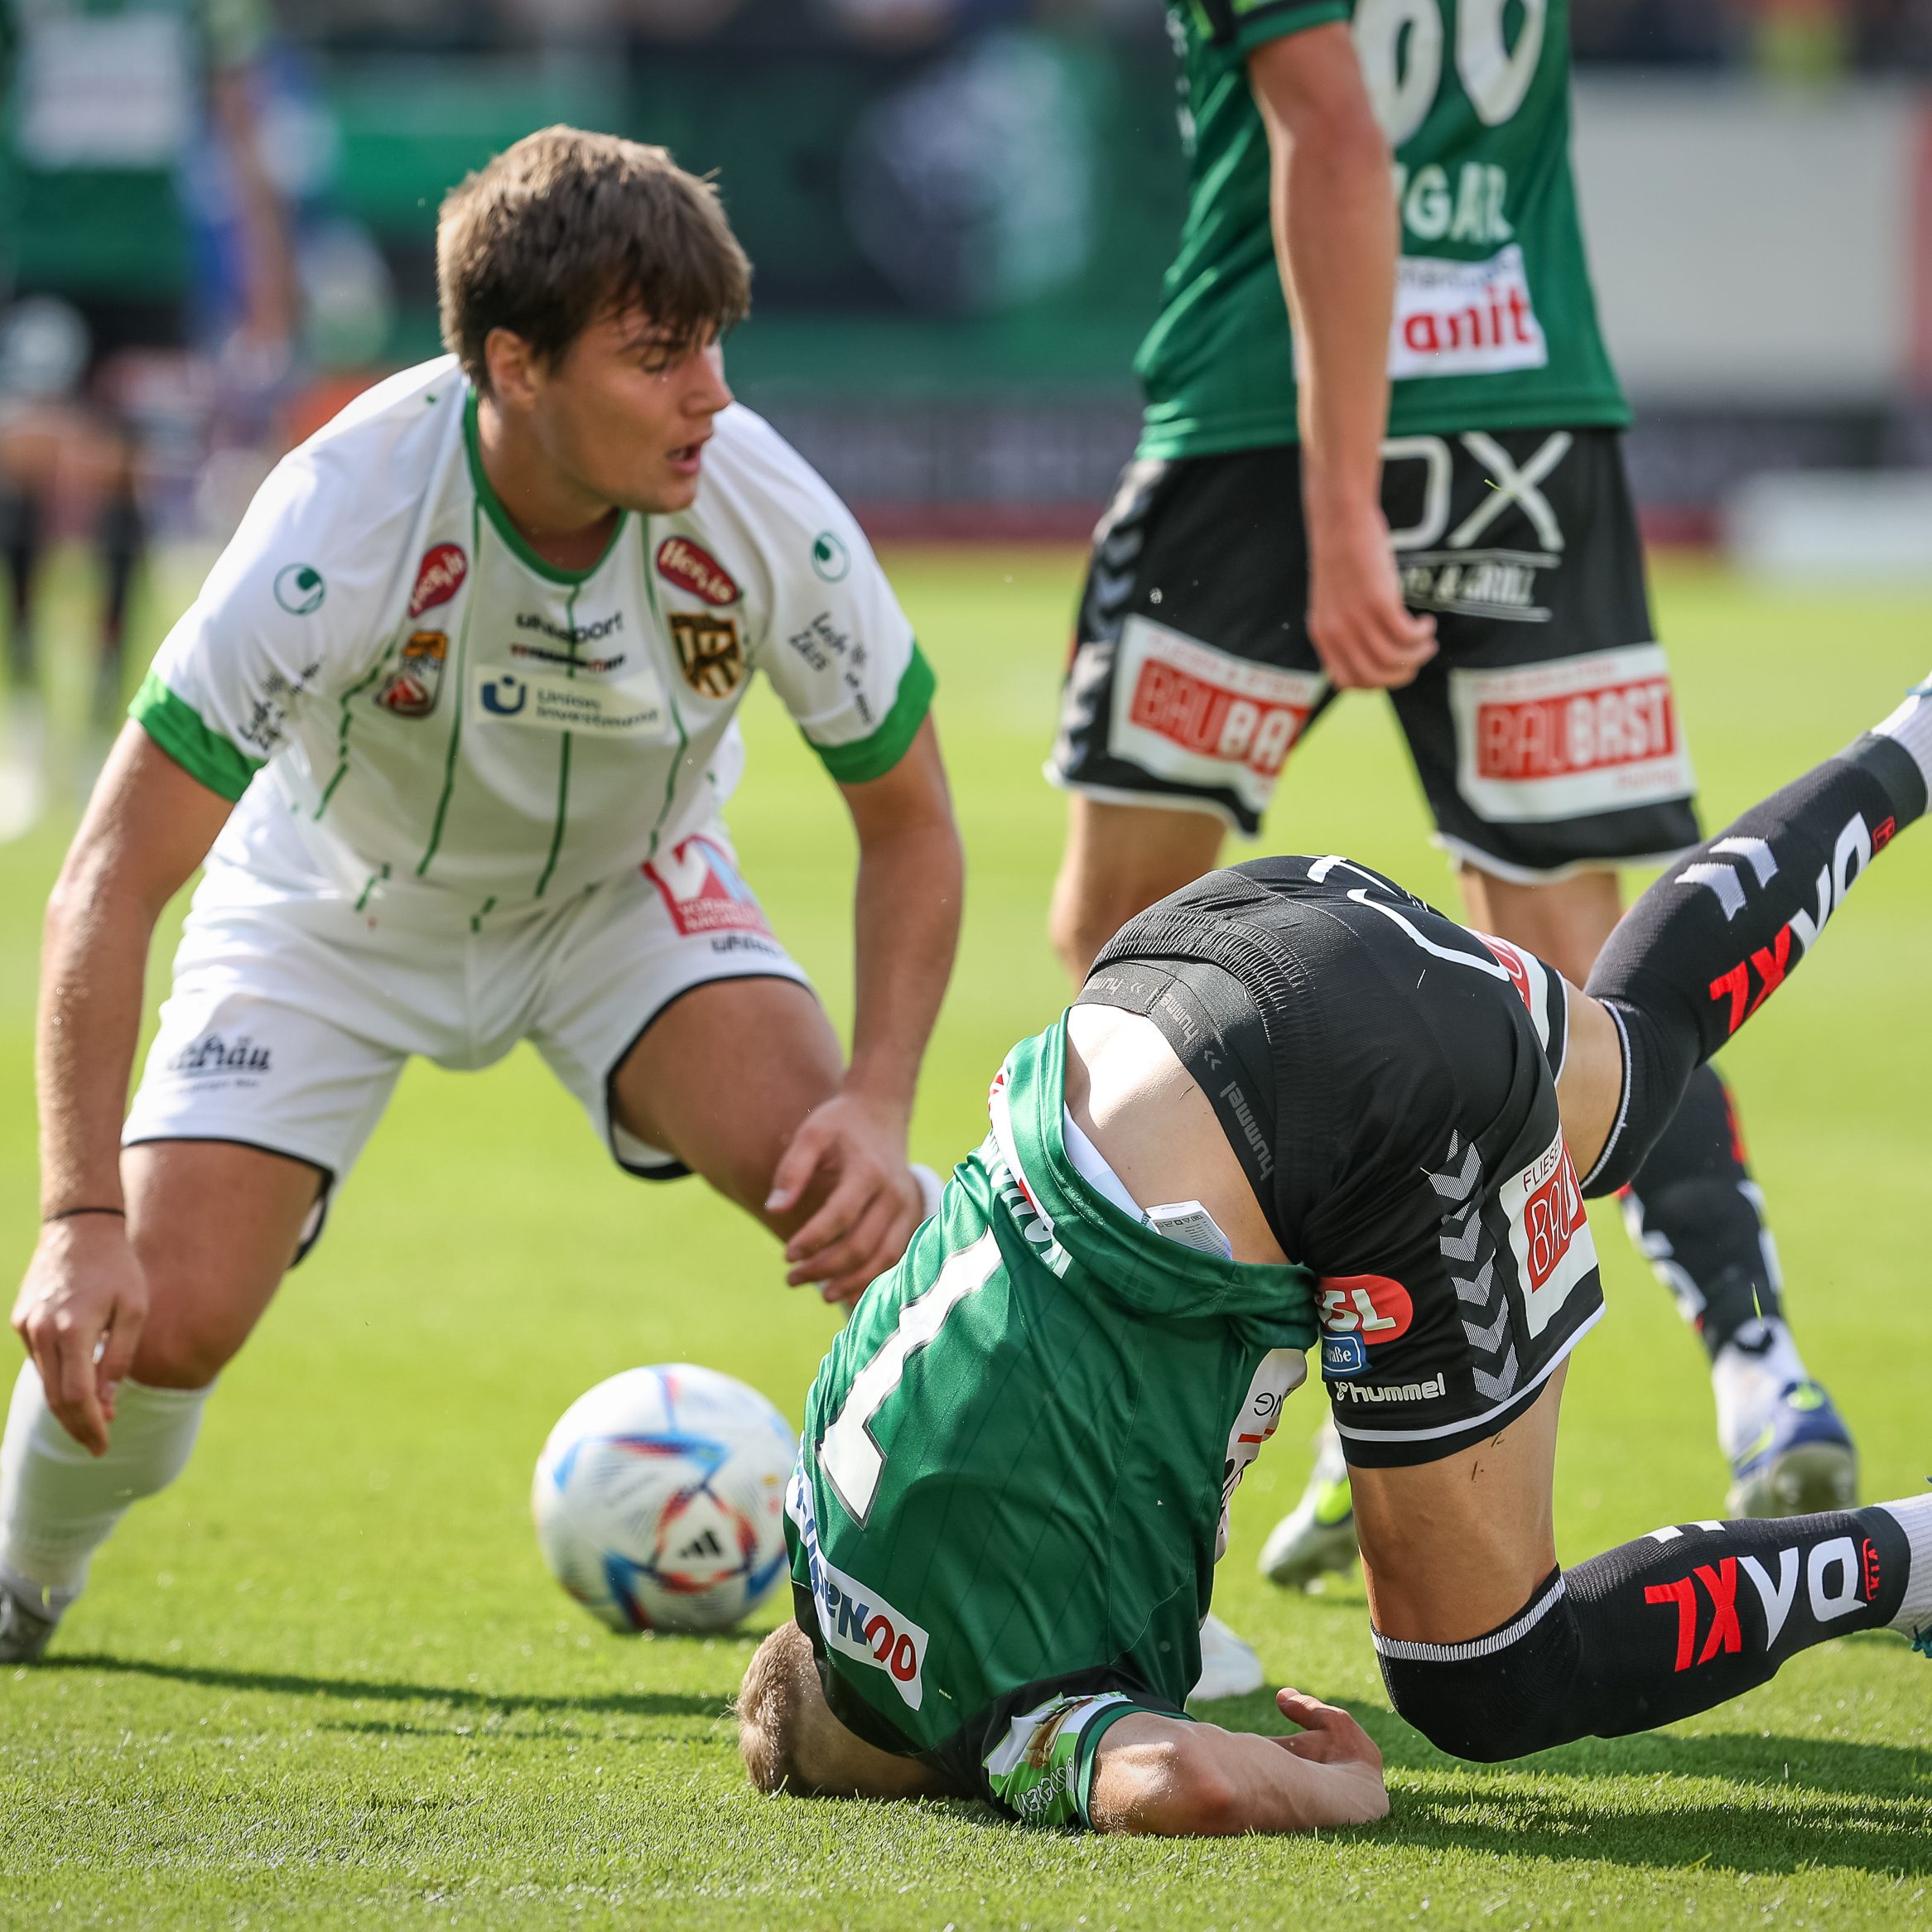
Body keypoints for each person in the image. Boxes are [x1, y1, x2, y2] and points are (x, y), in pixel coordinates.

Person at [0, 129, 964, 1662]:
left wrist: (880, 1093)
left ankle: (1049, 1602)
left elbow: (910, 819)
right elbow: (109, 874)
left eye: (713, 345)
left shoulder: (759, 501)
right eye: (656, 357)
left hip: (624, 898)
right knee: (160, 1314)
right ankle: (20, 1570)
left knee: (876, 1216)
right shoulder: (336, 515)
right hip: (333, 903)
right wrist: (75, 1215)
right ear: (514, 365)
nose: (709, 392)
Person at [736, 677, 1932, 1834]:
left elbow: (1179, 1786)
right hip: (1201, 949)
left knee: (1486, 1675)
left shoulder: (975, 1709)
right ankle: (1908, 747)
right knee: (1633, 1070)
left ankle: (1914, 1556)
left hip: (1337, 1100)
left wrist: (1328, 1790)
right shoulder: (817, 1492)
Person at [1043, 0, 1854, 1587]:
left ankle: (1267, 1394)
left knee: (1122, 954)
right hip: (1525, 415)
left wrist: (1344, 509)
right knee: (1573, 970)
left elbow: (1336, 140)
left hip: (1270, 427)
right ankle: (1755, 1363)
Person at [0, 0, 296, 836]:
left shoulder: (198, 13)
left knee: (129, 479)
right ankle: (22, 707)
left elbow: (243, 130)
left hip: (149, 269)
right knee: (25, 462)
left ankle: (103, 711)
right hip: (46, 260)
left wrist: (265, 269)